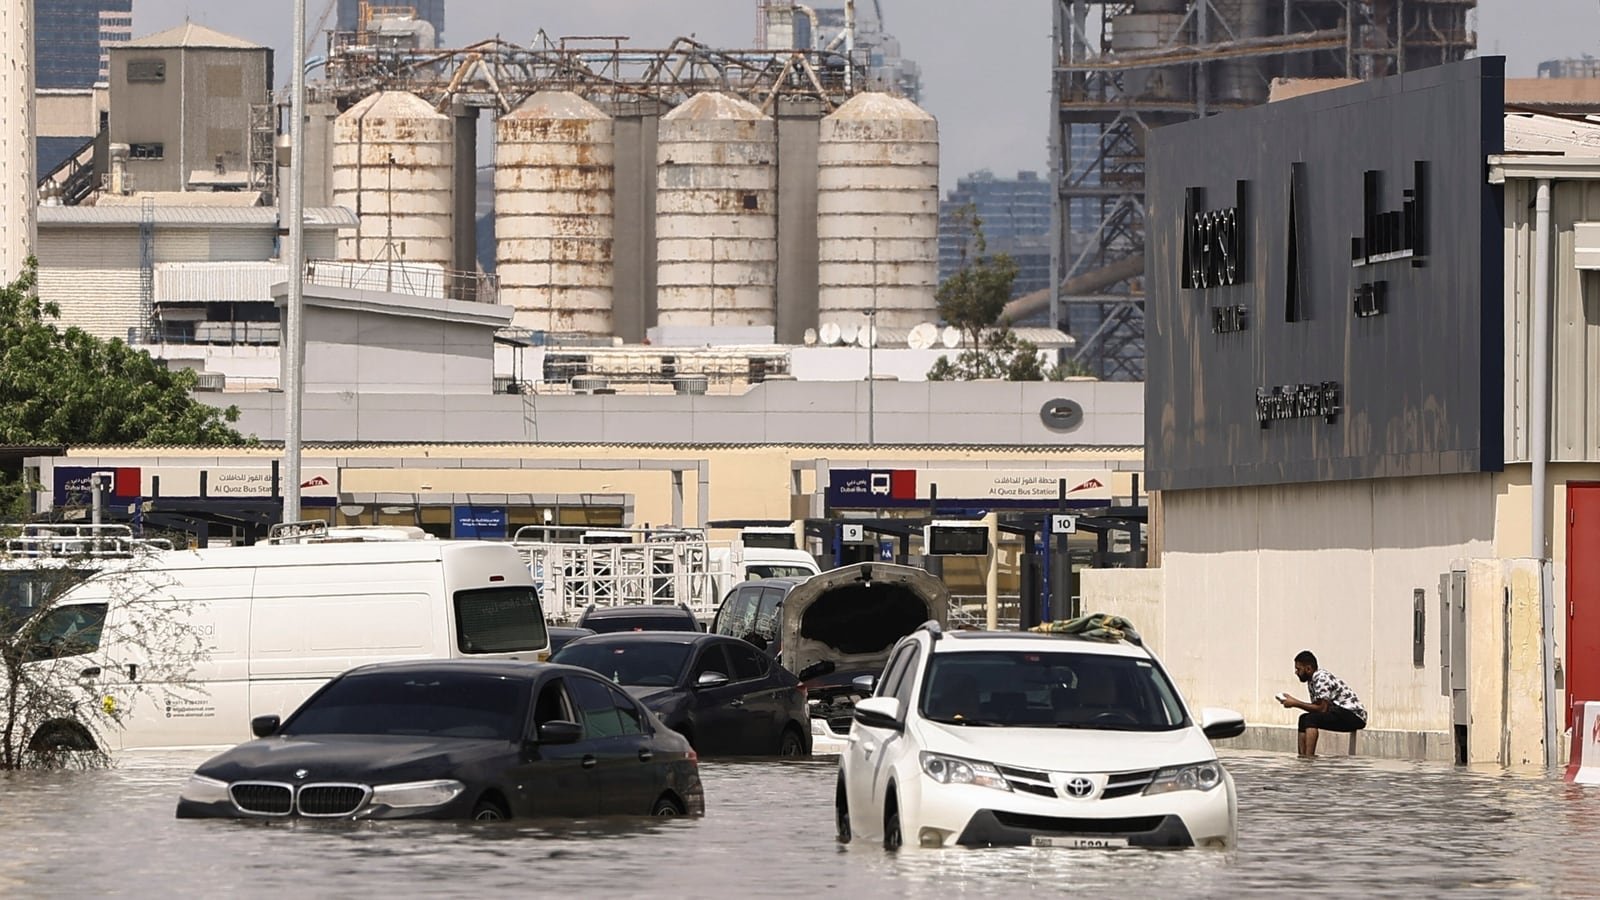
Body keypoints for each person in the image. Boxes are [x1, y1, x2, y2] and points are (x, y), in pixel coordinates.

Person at [1278, 650, 1367, 757]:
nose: (1296, 672)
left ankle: (1309, 758)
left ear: (1308, 668)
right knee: (1304, 719)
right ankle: (1303, 758)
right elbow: (1317, 708)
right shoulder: (1311, 681)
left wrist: (1295, 703)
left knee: (1311, 719)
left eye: (1298, 669)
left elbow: (1322, 709)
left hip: (1354, 716)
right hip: (1340, 714)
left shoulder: (1321, 678)